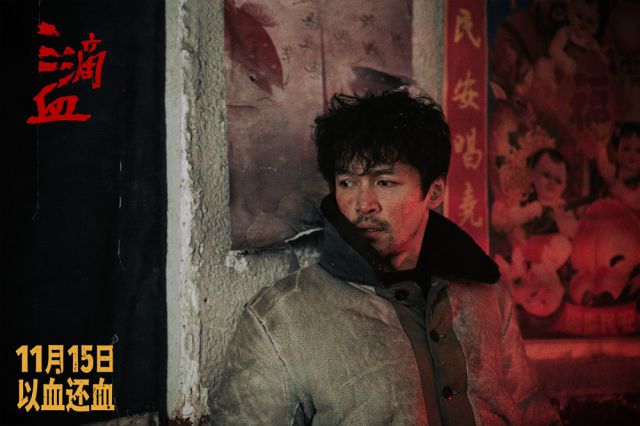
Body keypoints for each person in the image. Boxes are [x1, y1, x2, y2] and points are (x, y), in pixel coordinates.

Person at [210, 90, 559, 425]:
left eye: (385, 183)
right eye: (347, 183)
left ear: (434, 192)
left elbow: (531, 409)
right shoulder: (281, 319)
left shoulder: (487, 294)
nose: (363, 205)